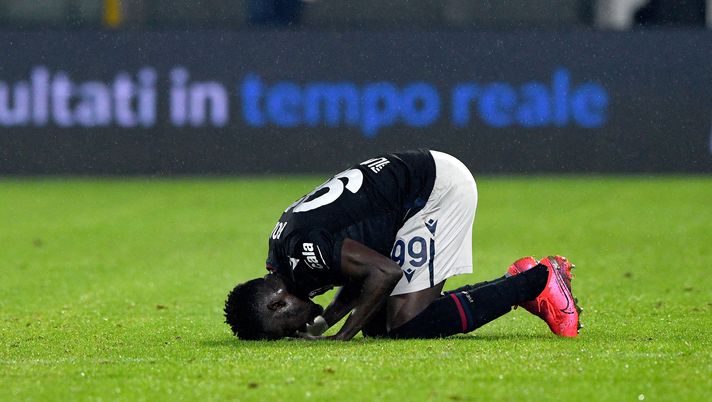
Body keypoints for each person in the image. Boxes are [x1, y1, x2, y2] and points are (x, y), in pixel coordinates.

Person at [224, 149, 581, 340]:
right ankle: (518, 282)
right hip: (409, 192)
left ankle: (539, 280)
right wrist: (329, 319)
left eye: (288, 327)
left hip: (434, 192)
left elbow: (383, 271)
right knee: (378, 324)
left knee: (407, 323)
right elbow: (355, 272)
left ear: (277, 303)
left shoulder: (306, 254)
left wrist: (343, 335)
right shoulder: (284, 257)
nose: (298, 329)